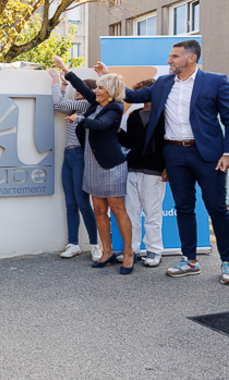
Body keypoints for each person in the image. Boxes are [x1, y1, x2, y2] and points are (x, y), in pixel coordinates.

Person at [96, 40, 229, 283]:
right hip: (174, 154)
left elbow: (228, 119)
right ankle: (190, 260)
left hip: (208, 154)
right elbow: (132, 95)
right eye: (170, 56)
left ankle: (227, 262)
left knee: (217, 208)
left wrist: (227, 153)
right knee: (184, 208)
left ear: (191, 58)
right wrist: (107, 77)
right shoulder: (164, 83)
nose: (169, 60)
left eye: (174, 56)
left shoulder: (216, 81)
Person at [52, 55, 136, 275]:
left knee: (118, 210)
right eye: (96, 88)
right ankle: (106, 252)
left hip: (110, 166)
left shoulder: (115, 108)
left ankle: (128, 253)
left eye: (100, 88)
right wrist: (65, 69)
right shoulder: (95, 103)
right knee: (99, 210)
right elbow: (81, 86)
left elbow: (100, 125)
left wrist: (78, 119)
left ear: (110, 90)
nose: (96, 91)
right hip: (91, 164)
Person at [47, 68, 102, 261]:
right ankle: (73, 244)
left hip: (80, 156)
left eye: (82, 88)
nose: (78, 91)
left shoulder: (88, 104)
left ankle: (95, 245)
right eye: (77, 88)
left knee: (82, 202)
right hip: (68, 155)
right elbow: (59, 106)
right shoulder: (75, 107)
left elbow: (57, 102)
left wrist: (55, 79)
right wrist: (62, 86)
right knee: (70, 203)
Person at [117, 78, 167, 267]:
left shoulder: (165, 114)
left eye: (147, 91)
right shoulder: (134, 115)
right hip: (132, 169)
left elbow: (168, 144)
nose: (144, 95)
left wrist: (167, 167)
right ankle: (132, 250)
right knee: (131, 212)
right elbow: (129, 143)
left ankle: (155, 251)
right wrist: (118, 131)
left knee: (153, 213)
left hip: (154, 170)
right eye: (141, 91)